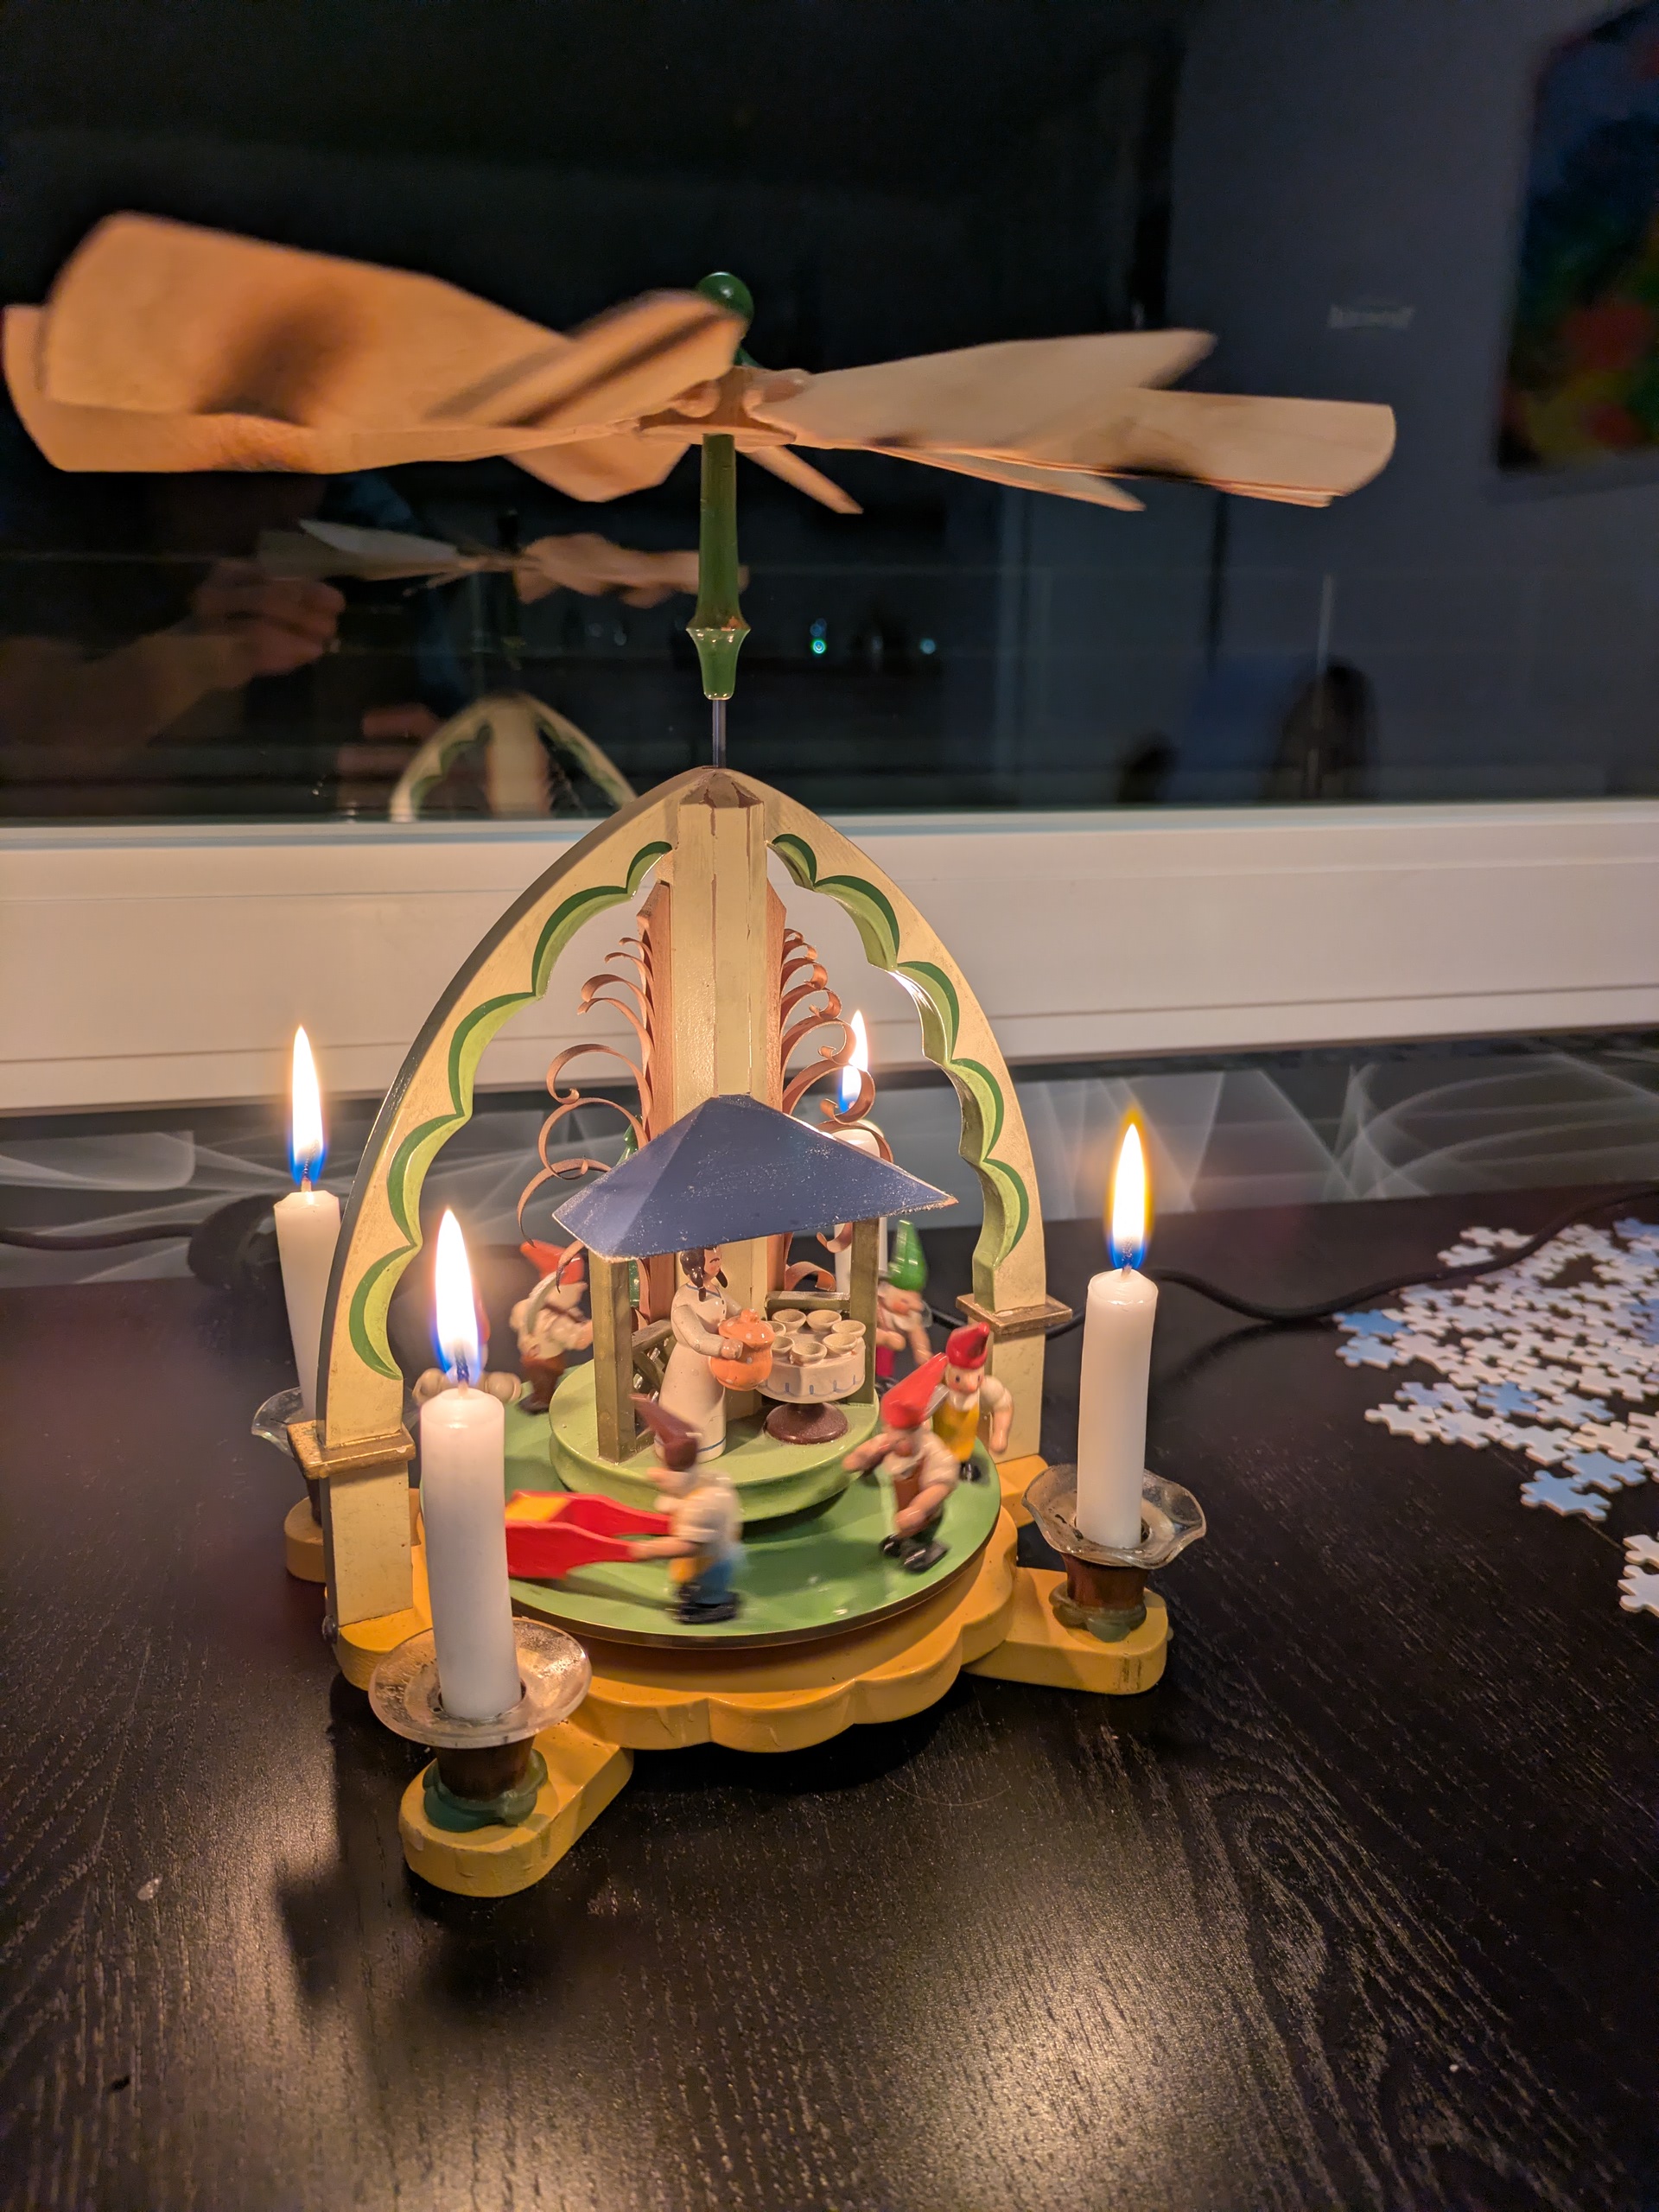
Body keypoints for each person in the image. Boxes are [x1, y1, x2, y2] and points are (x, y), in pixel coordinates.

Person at [627, 1396, 744, 1624]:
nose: (657, 1475)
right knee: (694, 1577)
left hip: (714, 1560)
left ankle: (712, 1604)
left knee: (709, 1585)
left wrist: (649, 1549)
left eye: (667, 1472)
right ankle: (699, 1591)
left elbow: (689, 1545)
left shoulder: (703, 1505)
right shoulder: (699, 1484)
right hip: (708, 1554)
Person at [842, 1353, 958, 1573]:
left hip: (927, 1512)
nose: (896, 1442)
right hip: (903, 1505)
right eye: (892, 1433)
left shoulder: (932, 1452)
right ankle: (905, 1540)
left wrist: (919, 1509)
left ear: (922, 1428)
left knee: (919, 1530)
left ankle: (927, 1547)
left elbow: (941, 1486)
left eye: (904, 1437)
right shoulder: (893, 1441)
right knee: (904, 1525)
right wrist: (860, 1458)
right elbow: (871, 1450)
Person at [658, 1247, 735, 1459]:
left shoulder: (715, 1291)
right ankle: (685, 1452)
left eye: (719, 1259)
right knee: (689, 1408)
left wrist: (745, 1317)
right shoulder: (684, 1299)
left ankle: (711, 1444)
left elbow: (734, 1309)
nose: (718, 1264)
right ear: (696, 1265)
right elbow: (697, 1339)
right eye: (713, 1261)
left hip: (712, 1365)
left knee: (711, 1405)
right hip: (689, 1365)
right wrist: (723, 1346)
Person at [508, 1243, 594, 1413]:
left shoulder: (525, 1307)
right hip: (547, 1362)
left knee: (539, 1381)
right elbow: (579, 1340)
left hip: (530, 1358)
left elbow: (515, 1320)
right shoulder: (554, 1321)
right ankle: (542, 1400)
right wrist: (599, 1324)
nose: (581, 1288)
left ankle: (540, 1397)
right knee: (545, 1382)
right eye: (575, 1286)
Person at [931, 1322, 1013, 1481]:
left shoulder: (985, 1388)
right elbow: (920, 1408)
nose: (971, 1386)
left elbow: (1003, 1405)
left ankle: (962, 1466)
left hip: (964, 1453)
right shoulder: (939, 1385)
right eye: (958, 1378)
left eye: (978, 1378)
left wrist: (1000, 1433)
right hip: (936, 1451)